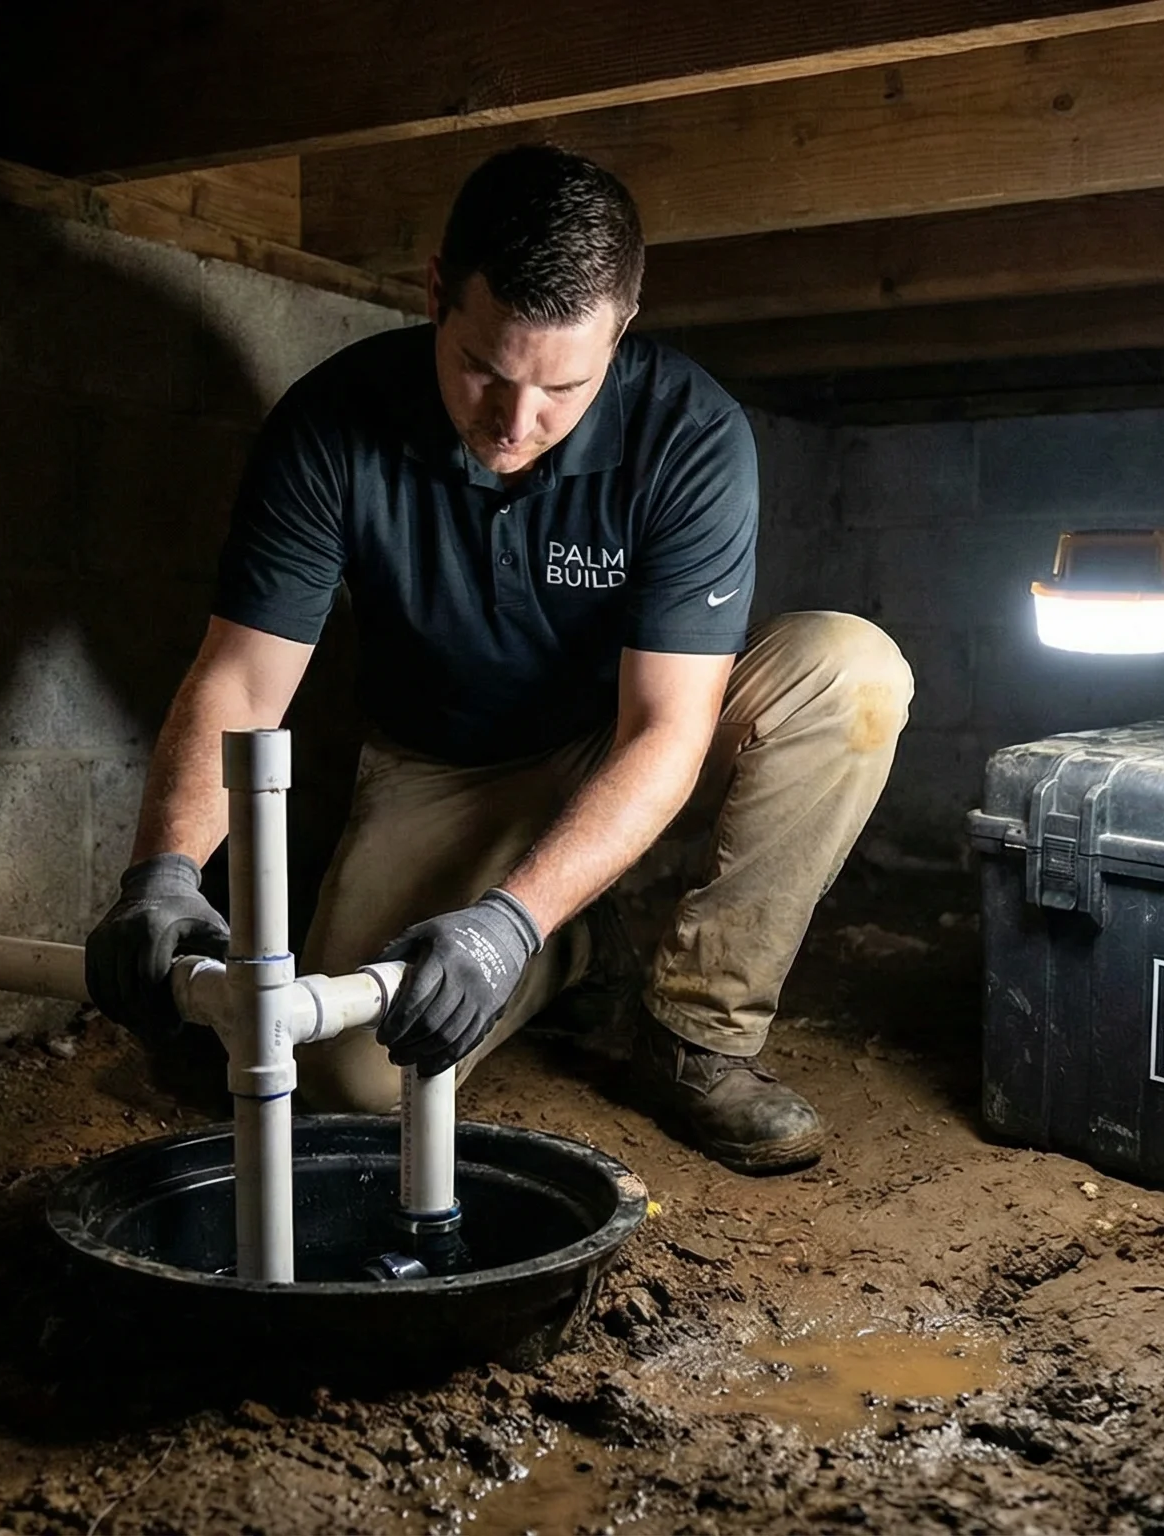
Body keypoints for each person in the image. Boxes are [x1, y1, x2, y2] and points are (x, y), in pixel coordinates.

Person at [84, 145, 910, 1173]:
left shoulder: (691, 433)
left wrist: (500, 924)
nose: (514, 424)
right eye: (482, 367)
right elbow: (243, 680)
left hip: (626, 730)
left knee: (850, 670)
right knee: (354, 1084)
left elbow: (667, 728)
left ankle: (696, 1036)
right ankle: (576, 944)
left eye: (563, 385)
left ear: (623, 330)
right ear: (436, 291)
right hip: (447, 762)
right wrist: (163, 870)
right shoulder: (331, 423)